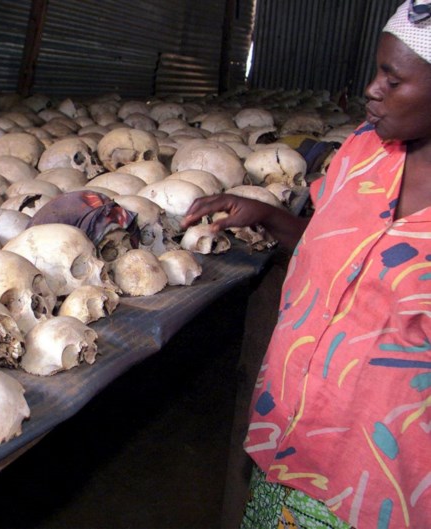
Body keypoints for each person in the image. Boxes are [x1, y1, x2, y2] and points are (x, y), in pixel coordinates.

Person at [183, 1, 431, 527]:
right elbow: (334, 251)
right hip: (292, 434)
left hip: (381, 471)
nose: (371, 89)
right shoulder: (363, 151)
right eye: (377, 71)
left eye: (393, 80)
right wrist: (268, 216)